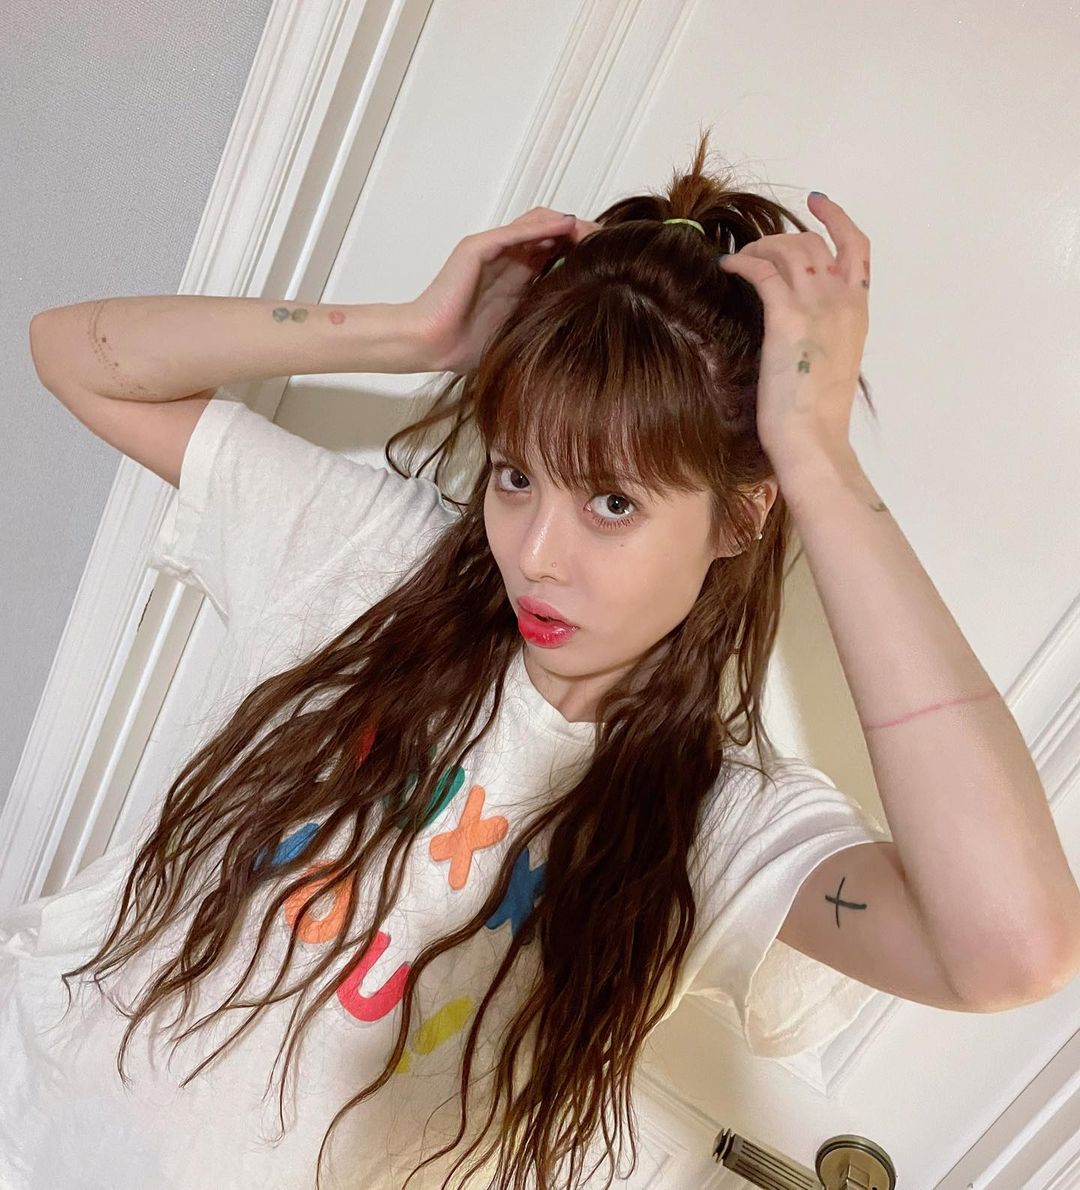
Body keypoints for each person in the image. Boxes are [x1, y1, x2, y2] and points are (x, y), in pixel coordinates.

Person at [3, 130, 895, 1189]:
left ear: (741, 516)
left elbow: (1013, 945)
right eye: (516, 476)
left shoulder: (719, 823)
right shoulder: (378, 561)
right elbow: (70, 352)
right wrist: (412, 334)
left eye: (613, 502)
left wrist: (821, 465)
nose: (536, 554)